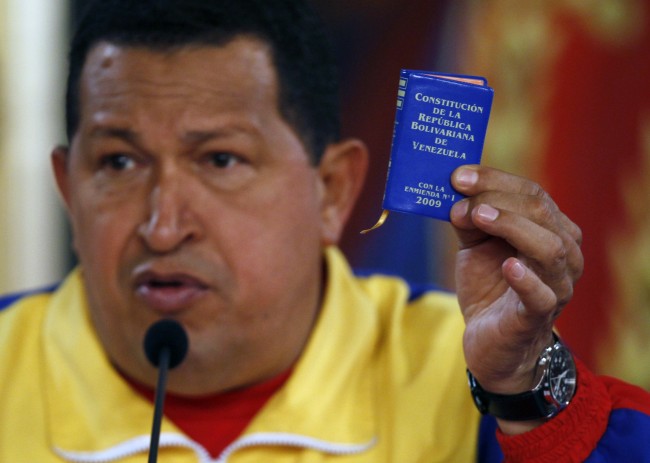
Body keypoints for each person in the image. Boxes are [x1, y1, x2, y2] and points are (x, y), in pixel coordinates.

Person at [1, 0, 649, 461]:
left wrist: (526, 387)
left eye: (220, 159)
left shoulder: (463, 369)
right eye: (118, 161)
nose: (164, 227)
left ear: (333, 189)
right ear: (67, 188)